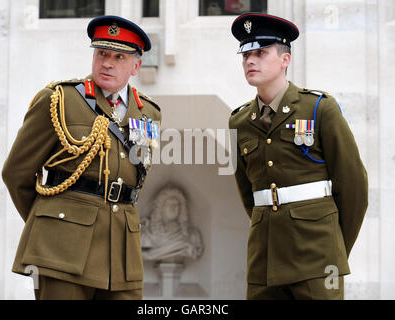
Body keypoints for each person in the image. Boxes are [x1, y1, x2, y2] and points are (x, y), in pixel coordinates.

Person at [2, 15, 161, 300]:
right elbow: (16, 173)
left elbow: (134, 178)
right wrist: (51, 223)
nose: (107, 63)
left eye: (118, 57)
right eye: (101, 53)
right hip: (63, 251)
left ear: (136, 65)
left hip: (123, 258)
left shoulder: (149, 112)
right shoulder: (59, 99)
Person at [228, 13, 368, 300]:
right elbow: (247, 192)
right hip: (264, 258)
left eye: (261, 53)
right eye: (246, 55)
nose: (250, 61)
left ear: (285, 60)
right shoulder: (238, 121)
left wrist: (334, 247)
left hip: (317, 256)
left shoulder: (318, 109)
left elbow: (354, 186)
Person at [141, 187, 203, 262]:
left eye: (176, 204)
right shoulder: (146, 236)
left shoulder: (193, 235)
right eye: (168, 204)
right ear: (161, 209)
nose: (172, 207)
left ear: (181, 209)